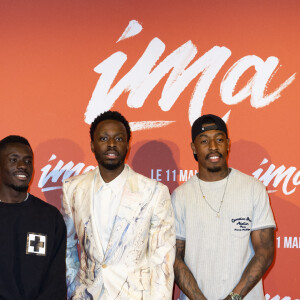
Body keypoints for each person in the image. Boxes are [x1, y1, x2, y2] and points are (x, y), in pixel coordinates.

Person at [62, 111, 175, 299]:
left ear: (127, 145)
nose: (111, 144)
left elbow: (162, 258)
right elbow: (67, 245)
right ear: (92, 144)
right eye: (104, 138)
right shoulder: (73, 188)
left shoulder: (154, 192)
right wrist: (74, 288)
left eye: (119, 138)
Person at [172, 114, 275, 300]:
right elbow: (175, 257)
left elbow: (265, 251)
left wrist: (234, 297)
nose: (213, 147)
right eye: (204, 141)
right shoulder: (180, 196)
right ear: (193, 147)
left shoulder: (253, 189)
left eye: (219, 140)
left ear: (228, 144)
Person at [0, 135, 67, 300]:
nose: (23, 166)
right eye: (14, 160)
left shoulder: (50, 218)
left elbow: (55, 283)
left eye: (28, 161)